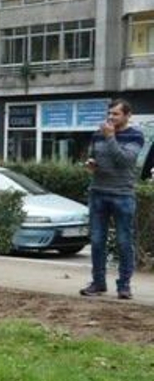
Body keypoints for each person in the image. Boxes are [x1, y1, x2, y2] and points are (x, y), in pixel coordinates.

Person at [81, 98, 144, 299]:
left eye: (115, 114)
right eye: (109, 113)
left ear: (127, 115)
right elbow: (95, 156)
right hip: (98, 192)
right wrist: (91, 163)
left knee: (124, 241)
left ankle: (124, 286)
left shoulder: (135, 136)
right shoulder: (98, 134)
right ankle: (98, 283)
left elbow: (125, 161)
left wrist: (110, 137)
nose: (110, 117)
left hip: (122, 195)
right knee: (97, 241)